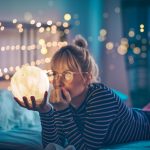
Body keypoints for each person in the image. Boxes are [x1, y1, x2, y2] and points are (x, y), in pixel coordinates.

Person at [14, 35, 150, 150]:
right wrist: (46, 111)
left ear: (87, 78)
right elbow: (54, 144)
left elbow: (85, 148)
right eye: (54, 74)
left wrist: (62, 111)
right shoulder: (63, 101)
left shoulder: (101, 97)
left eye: (66, 74)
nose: (57, 81)